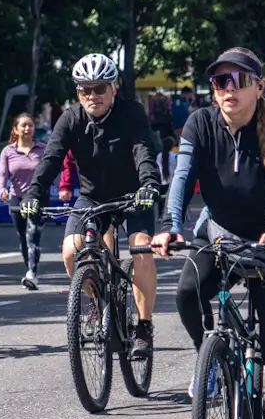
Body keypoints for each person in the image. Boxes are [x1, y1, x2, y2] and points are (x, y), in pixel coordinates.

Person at [151, 47, 265, 419]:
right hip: (218, 233)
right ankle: (213, 362)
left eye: (239, 80)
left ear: (259, 86)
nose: (229, 90)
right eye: (221, 81)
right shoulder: (200, 123)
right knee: (185, 292)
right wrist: (169, 226)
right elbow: (182, 177)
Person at [20, 52, 162, 359]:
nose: (92, 95)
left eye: (99, 88)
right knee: (72, 251)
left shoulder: (131, 113)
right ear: (77, 92)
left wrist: (149, 184)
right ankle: (100, 303)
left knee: (141, 249)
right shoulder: (70, 118)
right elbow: (51, 159)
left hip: (134, 194)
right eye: (85, 89)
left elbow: (143, 153)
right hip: (93, 197)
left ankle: (143, 327)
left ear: (113, 87)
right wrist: (34, 193)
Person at [0, 113, 48, 289]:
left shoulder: (42, 149)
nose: (27, 129)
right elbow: (2, 173)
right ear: (15, 130)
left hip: (38, 197)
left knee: (33, 235)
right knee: (22, 236)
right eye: (23, 126)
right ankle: (29, 268)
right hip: (16, 197)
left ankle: (32, 273)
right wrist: (1, 189)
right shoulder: (8, 151)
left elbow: (51, 168)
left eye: (30, 125)